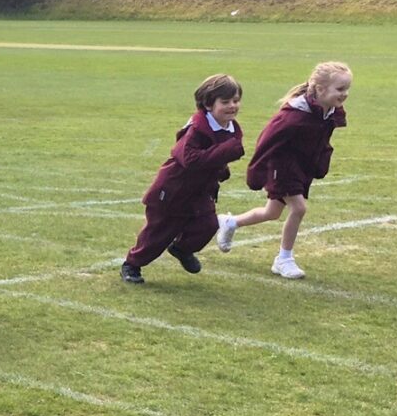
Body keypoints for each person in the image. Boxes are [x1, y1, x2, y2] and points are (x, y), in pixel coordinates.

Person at [216, 62, 352, 280]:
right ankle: (284, 259)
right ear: (320, 89)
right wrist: (256, 171)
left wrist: (321, 160)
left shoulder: (329, 111)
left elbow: (323, 138)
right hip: (282, 167)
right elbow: (266, 141)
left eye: (347, 89)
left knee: (272, 213)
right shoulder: (293, 115)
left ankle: (230, 222)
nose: (345, 94)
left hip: (301, 167)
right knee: (298, 208)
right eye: (340, 89)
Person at [121, 74, 245, 284]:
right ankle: (132, 264)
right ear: (207, 104)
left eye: (235, 100)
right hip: (173, 189)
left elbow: (218, 156)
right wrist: (225, 152)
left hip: (201, 190)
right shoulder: (196, 128)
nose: (232, 106)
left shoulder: (232, 127)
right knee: (159, 232)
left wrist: (221, 169)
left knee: (207, 225)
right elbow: (189, 159)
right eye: (225, 102)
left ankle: (181, 248)